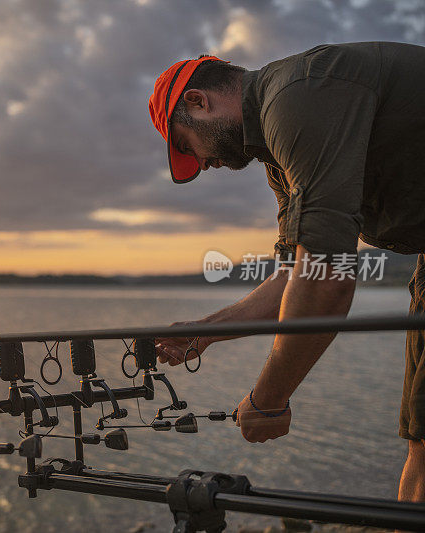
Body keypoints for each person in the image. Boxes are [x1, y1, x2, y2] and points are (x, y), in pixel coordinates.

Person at [147, 42, 425, 503]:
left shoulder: (298, 99)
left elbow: (326, 277)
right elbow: (295, 275)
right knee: (421, 437)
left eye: (185, 144)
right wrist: (203, 332)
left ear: (198, 101)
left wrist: (268, 399)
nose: (202, 164)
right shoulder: (276, 157)